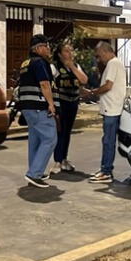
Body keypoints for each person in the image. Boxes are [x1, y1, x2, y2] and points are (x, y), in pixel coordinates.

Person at [16, 34, 59, 188]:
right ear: (39, 48)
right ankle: (34, 174)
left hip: (27, 107)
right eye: (46, 46)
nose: (49, 49)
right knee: (50, 138)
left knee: (35, 139)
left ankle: (36, 171)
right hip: (38, 106)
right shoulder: (40, 62)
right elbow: (45, 84)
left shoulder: (25, 63)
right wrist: (51, 104)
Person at [83, 41, 126, 184]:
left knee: (108, 141)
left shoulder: (113, 63)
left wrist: (92, 92)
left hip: (112, 109)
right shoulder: (115, 63)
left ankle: (106, 171)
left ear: (106, 51)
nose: (99, 59)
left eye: (99, 55)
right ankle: (105, 169)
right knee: (107, 141)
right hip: (111, 108)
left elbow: (108, 85)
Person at [50, 43, 88, 173]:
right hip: (60, 104)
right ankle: (57, 161)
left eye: (71, 50)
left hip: (73, 102)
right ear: (60, 54)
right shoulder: (54, 67)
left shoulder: (76, 66)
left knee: (67, 132)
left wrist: (72, 66)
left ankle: (64, 158)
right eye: (66, 51)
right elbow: (47, 84)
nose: (70, 53)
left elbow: (84, 80)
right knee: (59, 131)